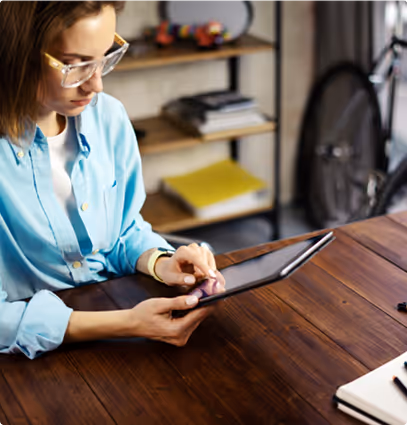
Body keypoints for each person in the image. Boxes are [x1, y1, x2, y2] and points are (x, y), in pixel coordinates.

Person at [0, 0, 225, 359]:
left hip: (116, 314)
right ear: (16, 52)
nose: (96, 85)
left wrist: (160, 262)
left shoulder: (109, 119)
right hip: (29, 357)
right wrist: (126, 324)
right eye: (75, 65)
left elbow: (121, 232)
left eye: (104, 58)